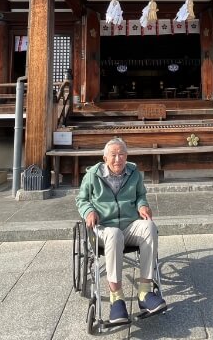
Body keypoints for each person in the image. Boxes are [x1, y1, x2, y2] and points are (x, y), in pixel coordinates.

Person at [76, 137, 167, 324]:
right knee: (114, 234)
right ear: (105, 158)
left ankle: (145, 292)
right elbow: (81, 200)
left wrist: (143, 205)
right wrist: (89, 211)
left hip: (129, 224)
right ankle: (116, 297)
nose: (118, 159)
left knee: (149, 227)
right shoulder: (93, 175)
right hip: (104, 228)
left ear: (127, 156)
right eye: (113, 155)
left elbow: (141, 195)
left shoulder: (134, 173)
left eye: (122, 154)